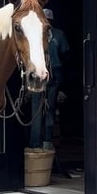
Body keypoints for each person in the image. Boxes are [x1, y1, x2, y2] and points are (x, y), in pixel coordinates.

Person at [29, 8, 70, 150]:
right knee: (37, 112)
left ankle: (47, 144)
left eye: (47, 19)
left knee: (49, 111)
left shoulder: (58, 35)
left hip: (54, 77)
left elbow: (65, 56)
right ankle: (35, 146)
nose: (46, 21)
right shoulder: (34, 35)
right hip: (37, 78)